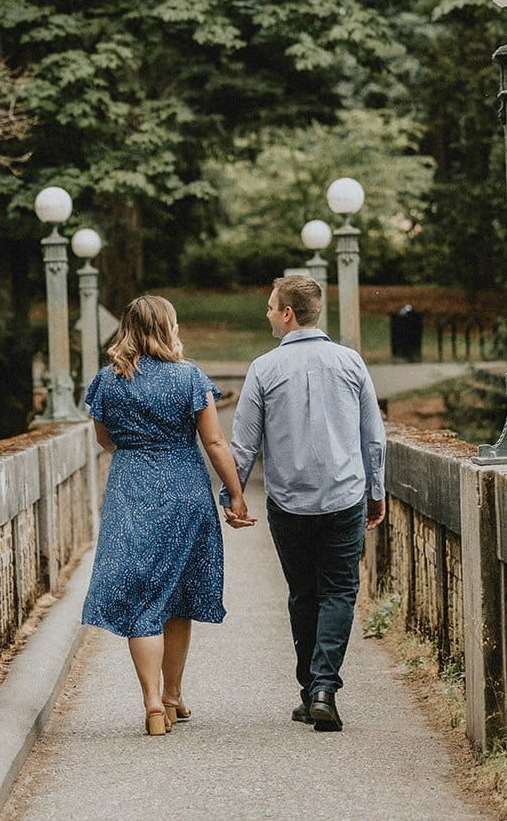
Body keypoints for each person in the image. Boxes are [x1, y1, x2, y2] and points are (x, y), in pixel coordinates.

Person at [81, 295, 255, 737]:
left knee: (142, 599)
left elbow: (105, 439)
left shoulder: (107, 380)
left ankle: (154, 703)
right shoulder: (188, 377)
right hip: (184, 488)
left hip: (131, 488)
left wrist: (138, 454)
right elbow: (215, 443)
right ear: (168, 328)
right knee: (178, 593)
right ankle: (174, 694)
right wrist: (235, 495)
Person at [225, 274, 385, 732]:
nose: (268, 314)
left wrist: (234, 496)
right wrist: (376, 492)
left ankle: (311, 688)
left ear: (289, 314)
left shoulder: (264, 369)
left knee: (303, 593)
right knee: (338, 589)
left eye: (272, 307)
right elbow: (372, 437)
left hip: (289, 503)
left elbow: (243, 445)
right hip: (344, 497)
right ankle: (323, 689)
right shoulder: (351, 362)